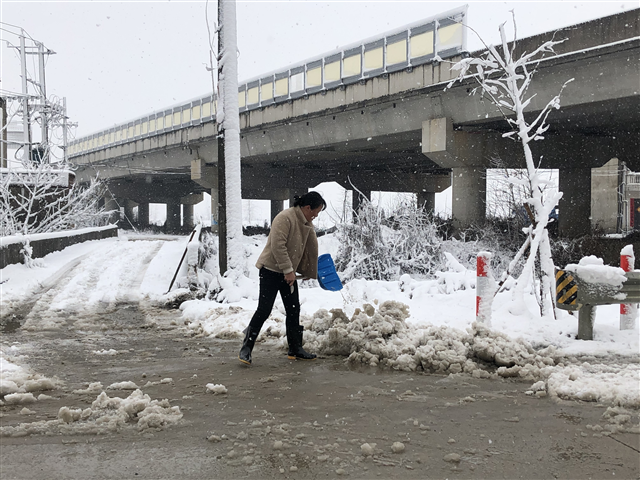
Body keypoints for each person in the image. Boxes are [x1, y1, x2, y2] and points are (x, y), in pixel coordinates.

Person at [238, 191, 327, 365]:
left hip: (288, 273)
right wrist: (288, 270)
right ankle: (246, 347)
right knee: (264, 310)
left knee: (293, 310)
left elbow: (308, 247)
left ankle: (295, 348)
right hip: (270, 271)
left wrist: (307, 270)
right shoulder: (285, 218)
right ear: (307, 207)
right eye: (315, 212)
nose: (316, 216)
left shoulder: (306, 222)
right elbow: (278, 246)